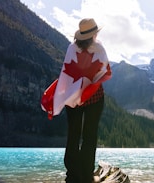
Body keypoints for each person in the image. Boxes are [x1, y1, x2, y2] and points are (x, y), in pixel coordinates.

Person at [59, 18, 111, 183]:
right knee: (90, 135)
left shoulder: (71, 48)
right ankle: (86, 173)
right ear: (94, 33)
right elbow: (104, 71)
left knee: (73, 134)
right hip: (94, 97)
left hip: (72, 97)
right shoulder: (100, 48)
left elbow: (66, 73)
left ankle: (72, 174)